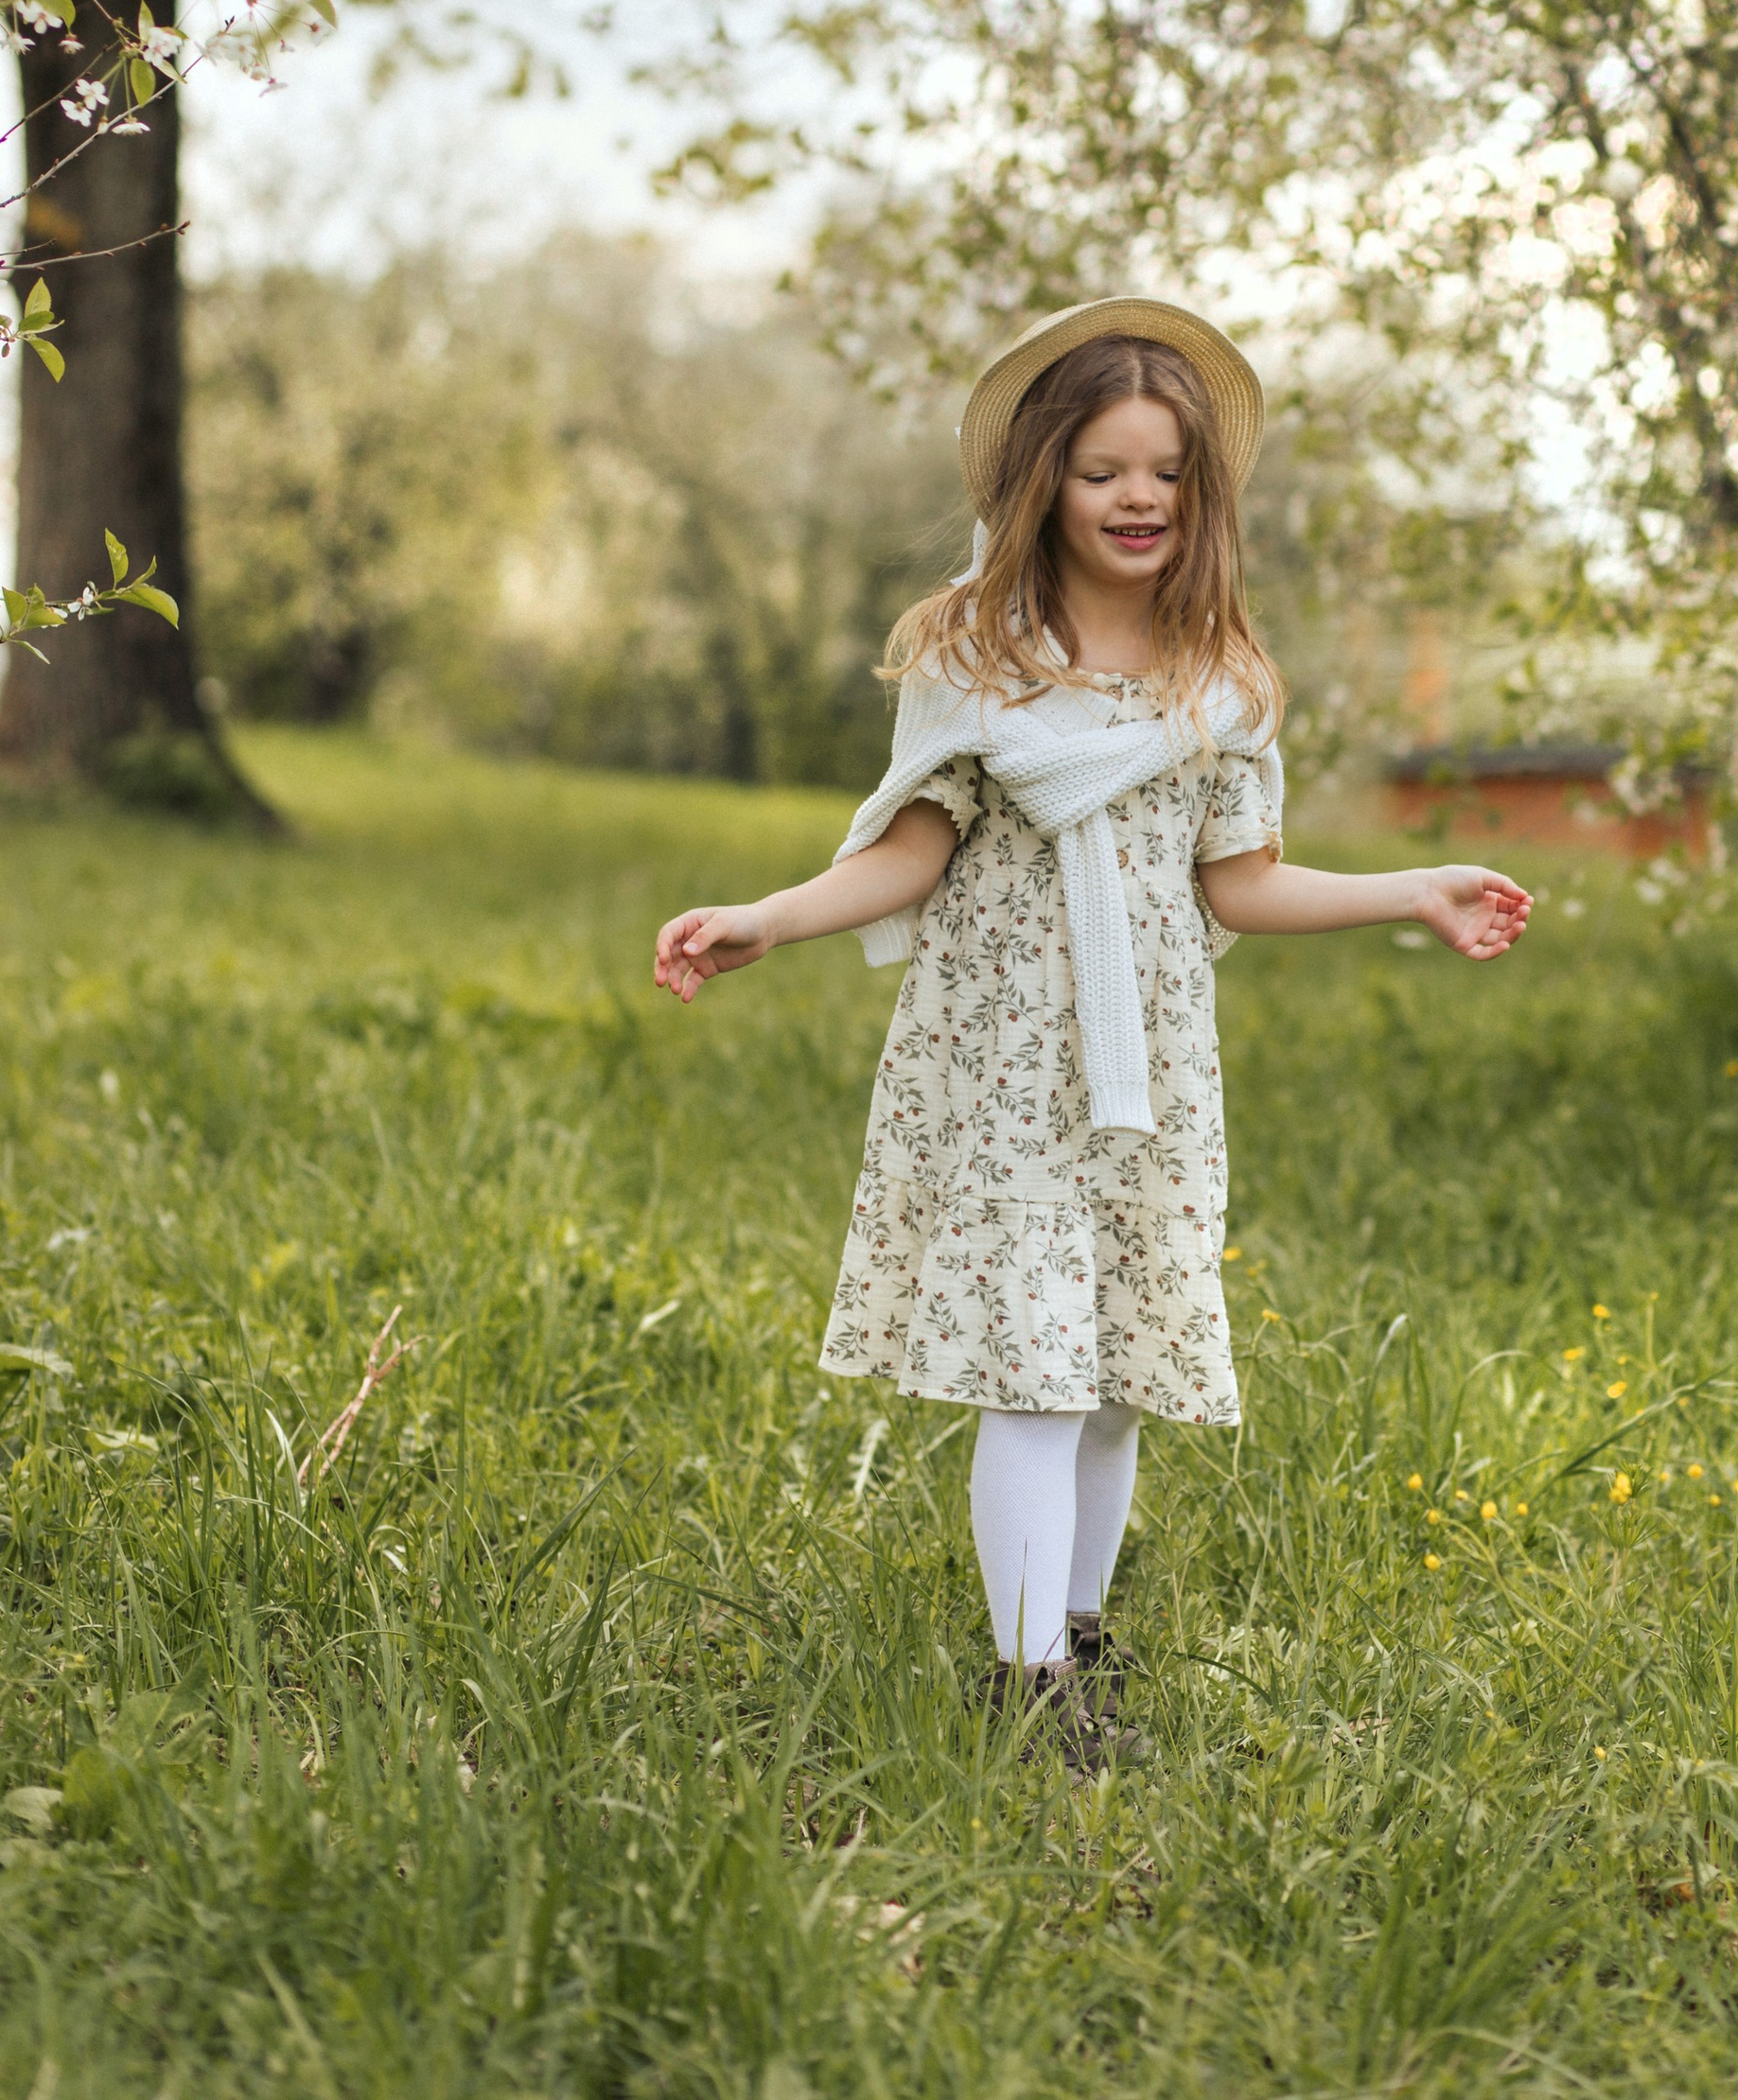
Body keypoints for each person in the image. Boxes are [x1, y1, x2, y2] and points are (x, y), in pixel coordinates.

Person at [652, 296, 1530, 1760]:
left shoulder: (1221, 679)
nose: (1139, 498)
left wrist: (1412, 890)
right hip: (1001, 1057)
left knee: (1122, 1377)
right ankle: (1023, 1691)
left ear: (1202, 494)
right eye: (1106, 468)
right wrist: (773, 917)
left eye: (1168, 473)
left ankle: (1075, 1637)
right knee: (1036, 1373)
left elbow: (1238, 885)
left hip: (1152, 1070)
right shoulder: (976, 651)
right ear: (1045, 478)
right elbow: (911, 849)